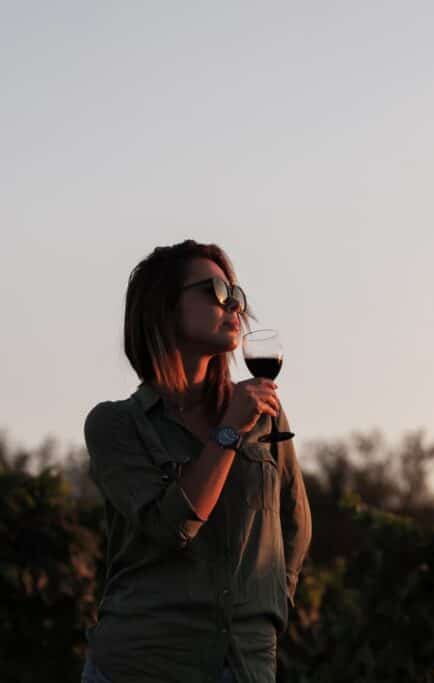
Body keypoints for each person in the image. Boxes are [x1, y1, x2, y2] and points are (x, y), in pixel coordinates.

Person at [80, 240, 312, 683]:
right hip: (143, 664)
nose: (234, 306)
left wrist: (265, 613)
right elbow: (174, 527)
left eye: (237, 295)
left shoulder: (265, 414)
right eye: (215, 291)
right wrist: (228, 433)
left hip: (245, 666)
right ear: (164, 309)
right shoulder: (116, 425)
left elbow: (294, 522)